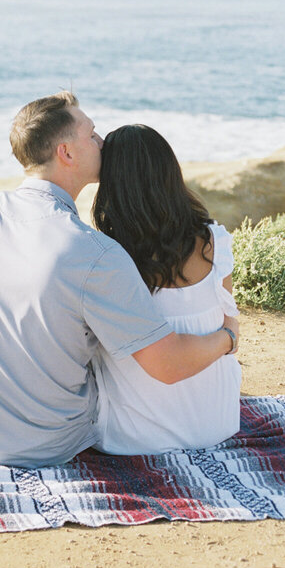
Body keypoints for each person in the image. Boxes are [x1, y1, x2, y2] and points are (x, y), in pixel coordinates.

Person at [0, 92, 239, 467]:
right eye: (92, 134)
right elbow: (167, 365)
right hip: (43, 444)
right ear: (67, 152)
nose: (102, 142)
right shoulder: (94, 253)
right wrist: (228, 337)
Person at [90, 124, 242, 454]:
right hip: (218, 423)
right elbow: (231, 321)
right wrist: (229, 339)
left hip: (134, 437)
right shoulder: (215, 242)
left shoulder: (105, 257)